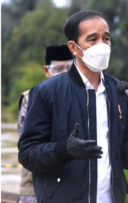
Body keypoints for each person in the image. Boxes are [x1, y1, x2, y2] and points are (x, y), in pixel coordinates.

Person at [18, 10, 128, 203]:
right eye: (92, 39)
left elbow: (119, 149)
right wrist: (64, 151)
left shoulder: (119, 91)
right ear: (74, 47)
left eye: (106, 38)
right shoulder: (46, 92)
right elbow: (28, 154)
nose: (102, 46)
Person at [17, 45, 74, 203]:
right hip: (35, 187)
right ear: (47, 70)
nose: (63, 73)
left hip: (72, 186)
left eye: (68, 68)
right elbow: (27, 147)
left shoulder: (81, 97)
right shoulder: (31, 98)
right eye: (58, 68)